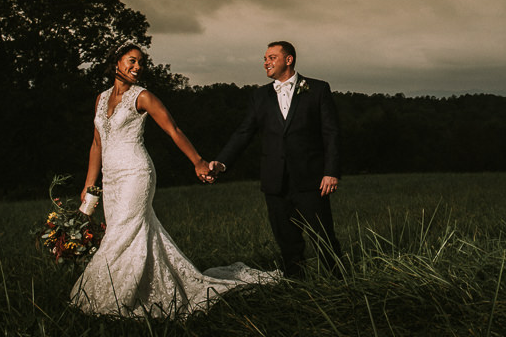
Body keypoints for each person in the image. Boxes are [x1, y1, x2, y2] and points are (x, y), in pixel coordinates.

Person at [70, 40, 277, 317]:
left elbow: (173, 130)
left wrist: (198, 162)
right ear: (116, 62)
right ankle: (144, 286)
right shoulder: (101, 98)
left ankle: (116, 297)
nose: (137, 67)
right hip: (111, 180)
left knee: (123, 234)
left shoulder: (142, 96)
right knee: (122, 231)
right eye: (132, 60)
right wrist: (89, 185)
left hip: (136, 174)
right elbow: (97, 144)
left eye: (140, 63)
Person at [209, 41, 343, 279]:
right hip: (274, 181)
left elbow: (331, 133)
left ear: (288, 60)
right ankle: (296, 287)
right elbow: (244, 132)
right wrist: (221, 162)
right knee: (287, 241)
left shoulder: (318, 89)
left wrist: (331, 171)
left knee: (324, 238)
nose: (266, 63)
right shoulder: (259, 96)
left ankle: (342, 284)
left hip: (311, 180)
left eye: (271, 57)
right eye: (265, 58)